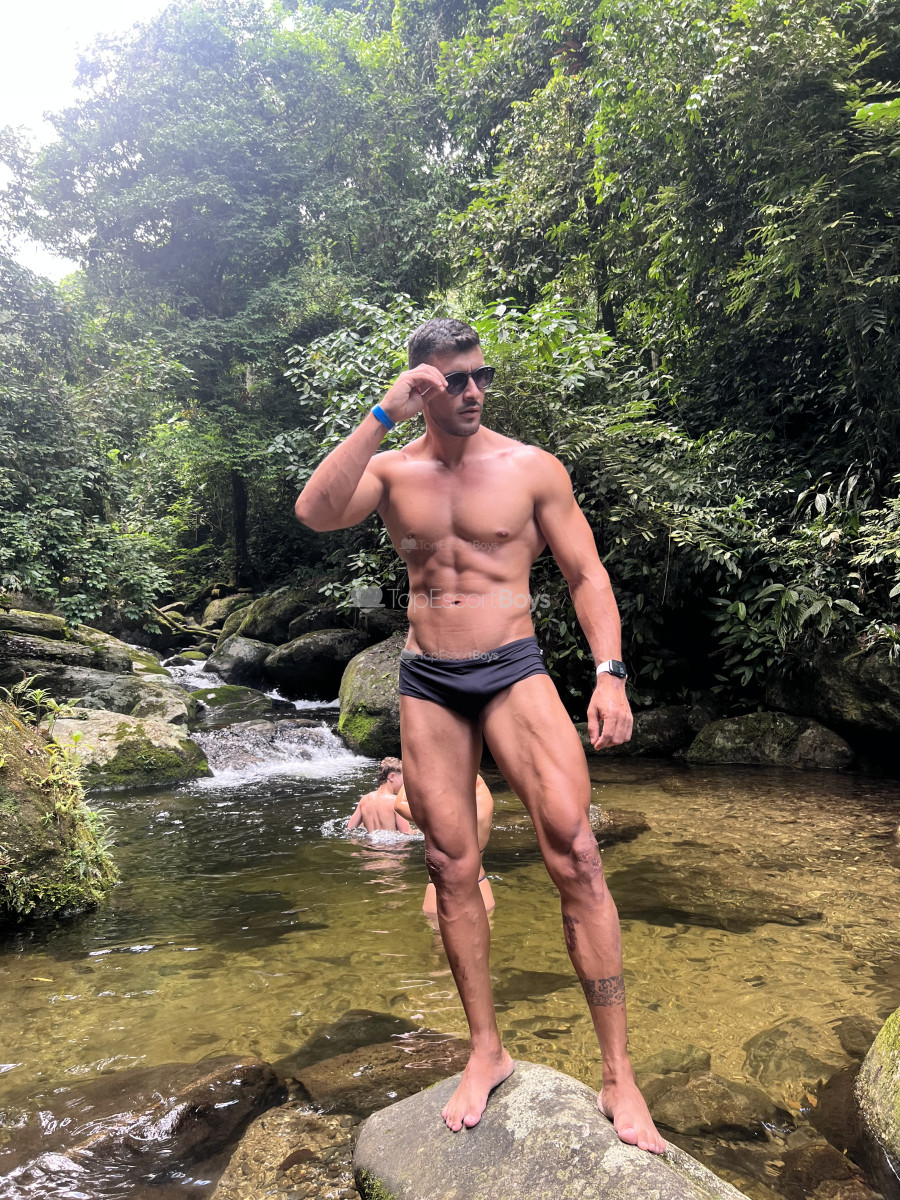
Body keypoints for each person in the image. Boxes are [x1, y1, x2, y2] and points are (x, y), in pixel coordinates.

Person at [295, 317, 665, 1154]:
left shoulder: (531, 468)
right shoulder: (391, 470)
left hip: (512, 668)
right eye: (451, 379)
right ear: (420, 385)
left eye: (479, 377)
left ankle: (619, 1075)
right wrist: (382, 414)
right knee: (449, 866)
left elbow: (586, 574)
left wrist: (609, 673)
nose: (471, 391)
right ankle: (486, 1050)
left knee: (577, 853)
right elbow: (314, 511)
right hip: (429, 680)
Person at [395, 773, 495, 914]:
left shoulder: (442, 811)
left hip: (443, 887)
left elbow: (399, 805)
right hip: (478, 884)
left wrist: (410, 772)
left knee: (438, 929)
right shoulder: (484, 796)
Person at [348, 757, 411, 833]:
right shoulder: (396, 802)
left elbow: (350, 829)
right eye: (403, 778)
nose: (405, 782)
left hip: (370, 840)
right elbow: (407, 832)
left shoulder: (364, 799)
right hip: (389, 840)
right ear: (392, 777)